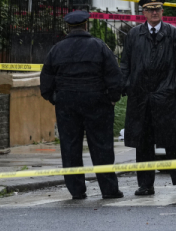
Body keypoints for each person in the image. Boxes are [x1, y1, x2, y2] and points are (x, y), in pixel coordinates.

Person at [40, 10, 123, 200]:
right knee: (102, 147)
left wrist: (56, 98)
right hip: (97, 103)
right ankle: (109, 190)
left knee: (70, 147)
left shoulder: (57, 49)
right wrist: (113, 97)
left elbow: (45, 82)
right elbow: (114, 75)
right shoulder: (99, 46)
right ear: (86, 25)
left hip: (67, 105)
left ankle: (76, 190)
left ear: (68, 28)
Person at [120, 0, 176, 196]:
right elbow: (125, 63)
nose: (154, 13)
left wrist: (175, 88)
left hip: (166, 98)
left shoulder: (174, 34)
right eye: (150, 9)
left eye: (157, 9)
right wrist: (127, 86)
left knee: (174, 142)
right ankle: (145, 184)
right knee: (143, 143)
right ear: (143, 12)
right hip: (141, 99)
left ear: (162, 11)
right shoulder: (134, 35)